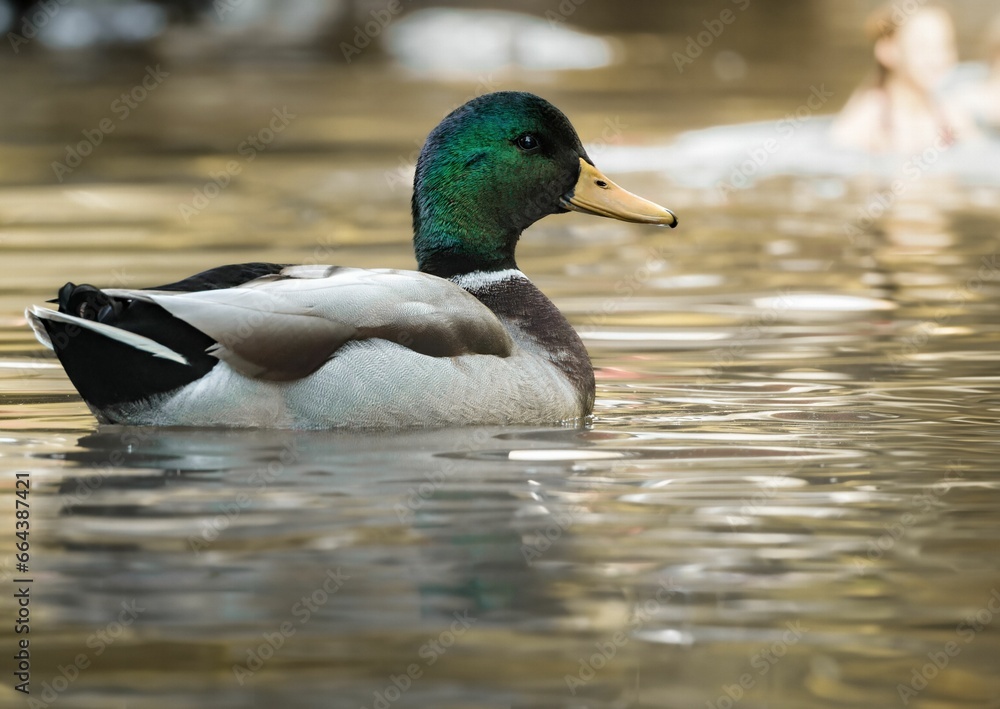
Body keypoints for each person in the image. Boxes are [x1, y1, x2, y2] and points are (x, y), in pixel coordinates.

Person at [831, 3, 975, 153]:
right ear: (887, 51)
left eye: (945, 46)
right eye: (923, 47)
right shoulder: (868, 117)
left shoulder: (952, 115)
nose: (937, 59)